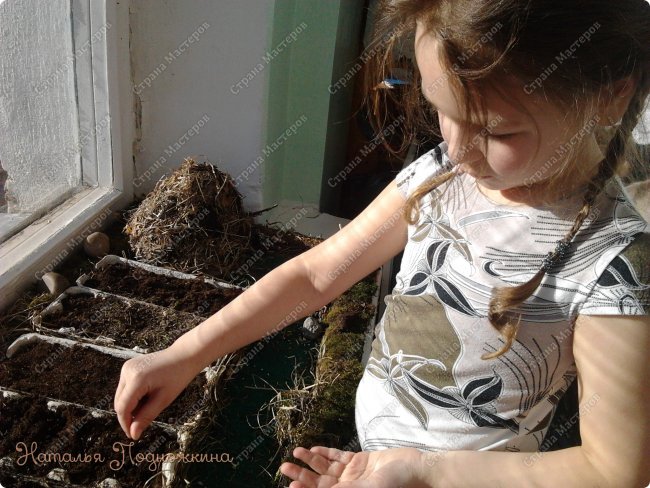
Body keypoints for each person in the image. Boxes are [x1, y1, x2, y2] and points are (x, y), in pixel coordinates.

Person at [115, 0, 650, 486]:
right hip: (374, 467)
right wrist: (183, 355)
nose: (458, 149)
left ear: (609, 94)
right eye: (442, 110)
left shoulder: (612, 263)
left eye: (497, 131)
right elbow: (315, 275)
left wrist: (424, 473)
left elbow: (613, 467)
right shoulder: (441, 176)